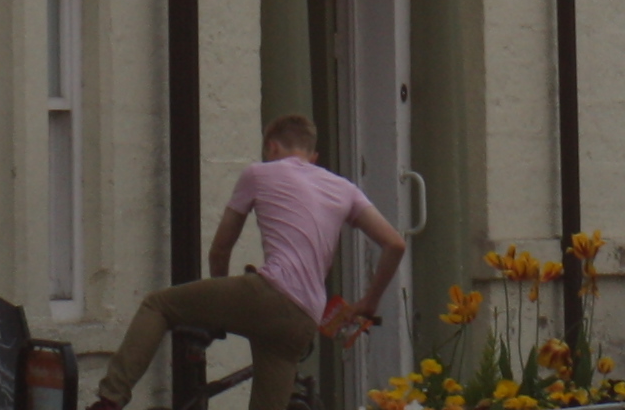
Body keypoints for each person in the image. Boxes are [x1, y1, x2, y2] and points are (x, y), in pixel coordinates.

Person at [95, 117, 407, 410]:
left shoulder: (259, 173)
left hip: (271, 293)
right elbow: (395, 243)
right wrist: (369, 302)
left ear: (272, 147)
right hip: (305, 318)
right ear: (313, 156)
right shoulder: (344, 188)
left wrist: (217, 307)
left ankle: (111, 399)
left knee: (158, 305)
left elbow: (221, 248)